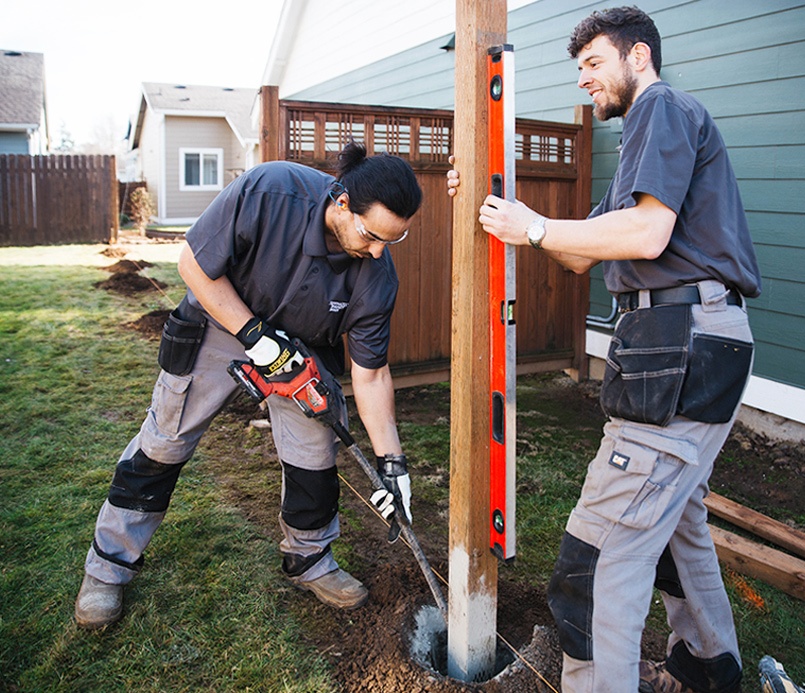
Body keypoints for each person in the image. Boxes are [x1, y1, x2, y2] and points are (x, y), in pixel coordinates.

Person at [448, 6, 760, 693]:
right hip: (684, 340)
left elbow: (647, 235)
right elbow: (577, 256)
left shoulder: (662, 108)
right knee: (678, 521)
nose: (585, 80)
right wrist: (493, 204)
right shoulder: (636, 158)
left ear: (638, 56)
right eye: (579, 68)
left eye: (594, 63)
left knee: (596, 558)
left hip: (681, 339)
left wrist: (532, 229)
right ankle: (707, 666)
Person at [76, 142, 421, 629]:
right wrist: (253, 335)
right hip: (223, 317)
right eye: (370, 234)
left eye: (394, 239)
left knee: (315, 455)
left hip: (302, 349)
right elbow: (193, 264)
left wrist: (393, 463)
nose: (378, 251)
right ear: (342, 202)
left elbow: (371, 375)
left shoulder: (377, 277)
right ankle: (107, 568)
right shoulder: (272, 190)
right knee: (165, 441)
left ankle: (310, 560)